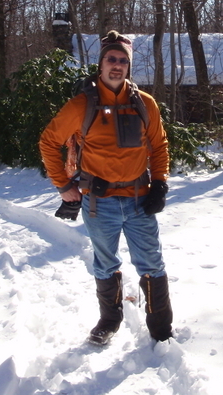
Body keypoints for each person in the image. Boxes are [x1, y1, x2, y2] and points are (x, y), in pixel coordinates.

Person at [39, 30, 173, 345]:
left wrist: (160, 183)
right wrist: (62, 185)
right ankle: (110, 319)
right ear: (101, 64)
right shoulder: (82, 105)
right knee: (105, 262)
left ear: (128, 66)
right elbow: (48, 141)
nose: (116, 65)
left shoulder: (145, 104)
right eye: (111, 59)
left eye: (122, 60)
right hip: (100, 203)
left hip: (140, 200)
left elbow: (159, 144)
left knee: (152, 262)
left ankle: (161, 330)